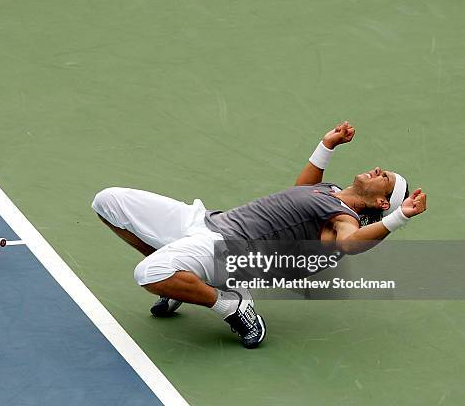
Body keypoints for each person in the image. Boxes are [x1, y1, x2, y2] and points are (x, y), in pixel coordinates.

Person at [91, 121, 427, 349]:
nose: (380, 170)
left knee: (148, 273)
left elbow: (350, 245)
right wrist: (327, 145)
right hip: (206, 221)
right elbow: (303, 189)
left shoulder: (343, 219)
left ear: (382, 201)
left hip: (225, 249)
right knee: (108, 201)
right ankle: (188, 282)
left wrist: (399, 218)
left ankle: (231, 305)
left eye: (385, 179)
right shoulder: (332, 193)